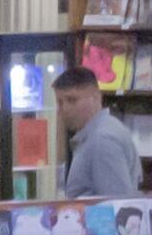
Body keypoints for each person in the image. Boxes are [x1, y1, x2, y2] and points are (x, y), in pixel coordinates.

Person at [53, 62, 141, 201]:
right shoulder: (100, 132)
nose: (65, 109)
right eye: (60, 102)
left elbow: (116, 205)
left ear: (96, 97)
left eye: (72, 100)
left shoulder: (102, 139)